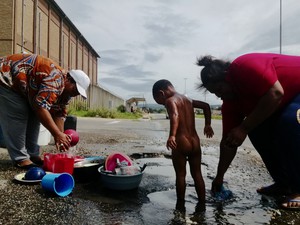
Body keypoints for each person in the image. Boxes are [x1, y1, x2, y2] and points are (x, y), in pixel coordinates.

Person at [196, 53, 300, 210]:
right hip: (284, 100)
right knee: (256, 130)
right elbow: (229, 142)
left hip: (295, 91)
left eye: (219, 89)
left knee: (287, 122)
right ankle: (284, 184)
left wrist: (243, 128)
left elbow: (276, 93)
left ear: (227, 76)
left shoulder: (243, 66)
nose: (219, 95)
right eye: (215, 93)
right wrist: (219, 177)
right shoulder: (231, 103)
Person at [0, 53, 90, 169]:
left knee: (34, 114)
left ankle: (32, 155)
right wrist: (56, 134)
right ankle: (20, 158)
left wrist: (61, 137)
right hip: (6, 77)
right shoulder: (55, 78)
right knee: (19, 113)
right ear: (68, 79)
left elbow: (59, 113)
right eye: (76, 89)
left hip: (24, 87)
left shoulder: (66, 93)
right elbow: (41, 107)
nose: (76, 94)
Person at [152, 79, 214, 210]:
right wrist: (207, 124)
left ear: (161, 93)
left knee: (181, 175)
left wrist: (172, 135)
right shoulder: (188, 99)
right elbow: (206, 106)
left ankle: (180, 205)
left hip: (181, 142)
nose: (164, 104)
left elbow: (174, 114)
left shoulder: (170, 100)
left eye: (161, 102)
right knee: (197, 174)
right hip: (195, 141)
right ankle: (202, 204)